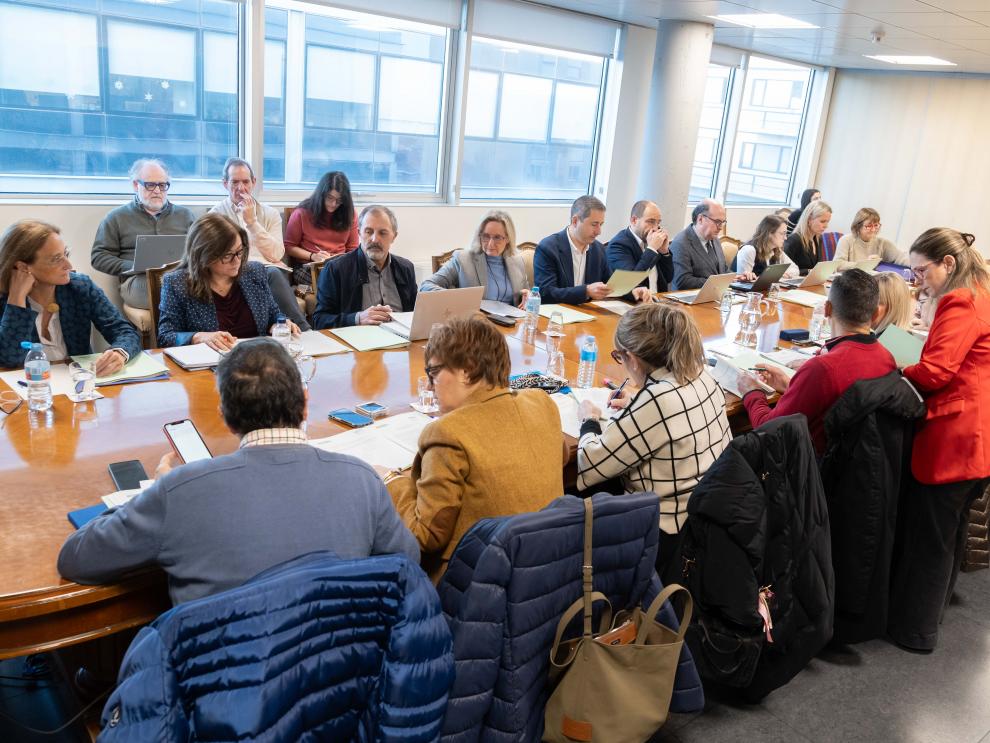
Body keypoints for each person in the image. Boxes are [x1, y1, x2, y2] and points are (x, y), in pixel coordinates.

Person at [57, 339, 418, 605]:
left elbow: (77, 558)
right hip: (344, 683)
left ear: (226, 417)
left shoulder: (182, 490)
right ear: (306, 404)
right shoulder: (361, 479)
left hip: (226, 696)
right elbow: (409, 562)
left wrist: (156, 492)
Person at [384, 317, 564, 580]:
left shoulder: (447, 432)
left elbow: (425, 536)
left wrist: (391, 481)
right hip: (548, 575)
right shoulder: (542, 403)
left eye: (433, 373)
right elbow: (560, 454)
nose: (430, 386)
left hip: (474, 590)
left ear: (466, 370)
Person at [575, 303, 730, 582]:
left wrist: (589, 420)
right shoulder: (701, 375)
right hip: (708, 521)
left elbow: (590, 464)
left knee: (575, 501)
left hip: (665, 537)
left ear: (632, 359)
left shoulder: (658, 400)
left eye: (619, 357)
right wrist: (637, 403)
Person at [889, 228, 990, 652]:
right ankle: (934, 611)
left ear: (947, 264)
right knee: (951, 530)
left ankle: (917, 629)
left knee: (930, 537)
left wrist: (896, 368)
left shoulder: (960, 301)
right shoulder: (982, 291)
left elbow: (935, 372)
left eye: (921, 270)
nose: (917, 280)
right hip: (978, 434)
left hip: (954, 435)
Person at [738, 269, 896, 456]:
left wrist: (752, 393)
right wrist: (791, 386)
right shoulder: (887, 358)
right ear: (877, 314)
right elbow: (841, 403)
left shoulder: (823, 368)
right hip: (857, 465)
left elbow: (769, 432)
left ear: (827, 309)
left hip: (812, 470)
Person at [0, 220, 141, 371]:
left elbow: (124, 331)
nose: (69, 265)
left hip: (79, 385)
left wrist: (119, 353)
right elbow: (9, 360)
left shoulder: (80, 287)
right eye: (56, 259)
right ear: (22, 267)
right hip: (28, 389)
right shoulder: (4, 300)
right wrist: (16, 299)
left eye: (66, 254)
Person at [158, 213, 299, 350]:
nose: (237, 260)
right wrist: (198, 337)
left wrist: (279, 324)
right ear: (204, 255)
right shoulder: (177, 283)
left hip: (257, 359)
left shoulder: (254, 272)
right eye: (227, 255)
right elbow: (165, 337)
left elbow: (273, 315)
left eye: (239, 251)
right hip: (209, 365)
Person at [209, 157, 310, 331]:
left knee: (272, 272)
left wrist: (252, 223)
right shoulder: (216, 215)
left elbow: (277, 254)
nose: (241, 188)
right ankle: (305, 331)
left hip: (270, 272)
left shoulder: (270, 214)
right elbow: (216, 258)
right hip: (235, 272)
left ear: (254, 182)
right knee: (269, 272)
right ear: (225, 184)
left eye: (246, 182)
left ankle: (297, 331)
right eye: (234, 182)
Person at [91, 158, 195, 309]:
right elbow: (98, 257)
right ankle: (170, 331)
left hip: (180, 277)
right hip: (138, 280)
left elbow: (201, 251)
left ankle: (192, 332)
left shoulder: (185, 215)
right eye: (150, 185)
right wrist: (135, 266)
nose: (157, 191)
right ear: (135, 185)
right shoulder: (116, 217)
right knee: (159, 293)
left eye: (162, 185)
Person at [312, 205, 416, 329]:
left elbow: (416, 314)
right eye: (369, 231)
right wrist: (358, 318)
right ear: (359, 233)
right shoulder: (336, 269)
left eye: (382, 233)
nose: (374, 239)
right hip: (358, 342)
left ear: (394, 237)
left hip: (403, 340)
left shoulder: (406, 268)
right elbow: (319, 321)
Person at [535, 196, 651, 304]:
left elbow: (611, 286)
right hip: (557, 315)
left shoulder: (598, 249)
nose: (599, 231)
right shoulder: (548, 248)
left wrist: (634, 291)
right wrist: (586, 291)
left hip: (588, 314)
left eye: (601, 224)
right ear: (575, 221)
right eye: (594, 224)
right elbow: (546, 293)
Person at [420, 210, 529, 306]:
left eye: (497, 238)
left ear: (508, 239)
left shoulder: (517, 262)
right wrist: (458, 298)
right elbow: (426, 286)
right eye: (486, 236)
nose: (490, 244)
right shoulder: (463, 259)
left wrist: (528, 296)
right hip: (476, 324)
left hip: (511, 325)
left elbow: (526, 293)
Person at [284, 171, 359, 284]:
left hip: (340, 266)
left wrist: (340, 260)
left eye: (339, 200)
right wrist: (313, 256)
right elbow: (289, 246)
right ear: (321, 194)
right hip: (308, 267)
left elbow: (353, 249)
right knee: (333, 282)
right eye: (330, 198)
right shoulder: (302, 213)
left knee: (362, 278)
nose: (333, 204)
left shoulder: (349, 214)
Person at [671, 199, 749, 290]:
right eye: (717, 222)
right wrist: (718, 282)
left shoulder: (714, 239)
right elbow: (682, 281)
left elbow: (722, 269)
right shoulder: (681, 243)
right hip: (690, 300)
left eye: (723, 222)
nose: (720, 227)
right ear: (700, 219)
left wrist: (738, 277)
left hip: (715, 296)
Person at [606, 200, 674, 294]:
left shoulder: (652, 241)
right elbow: (629, 283)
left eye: (658, 223)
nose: (655, 228)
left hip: (658, 301)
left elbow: (668, 278)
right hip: (635, 304)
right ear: (634, 220)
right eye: (650, 221)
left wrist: (664, 252)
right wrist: (651, 249)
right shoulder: (618, 245)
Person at [834, 208, 908, 270]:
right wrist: (865, 264)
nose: (873, 230)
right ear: (858, 226)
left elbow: (901, 258)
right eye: (869, 226)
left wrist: (917, 266)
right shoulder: (846, 240)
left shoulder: (883, 243)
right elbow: (837, 265)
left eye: (876, 225)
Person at [733, 214, 798, 279]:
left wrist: (781, 274)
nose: (785, 238)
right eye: (782, 234)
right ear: (769, 233)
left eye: (785, 234)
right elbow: (742, 281)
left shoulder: (776, 250)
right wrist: (773, 276)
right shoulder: (749, 250)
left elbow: (795, 269)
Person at [784, 199, 833, 275]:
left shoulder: (818, 238)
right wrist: (809, 271)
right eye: (822, 221)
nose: (826, 226)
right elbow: (784, 271)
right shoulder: (794, 240)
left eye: (828, 222)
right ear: (809, 219)